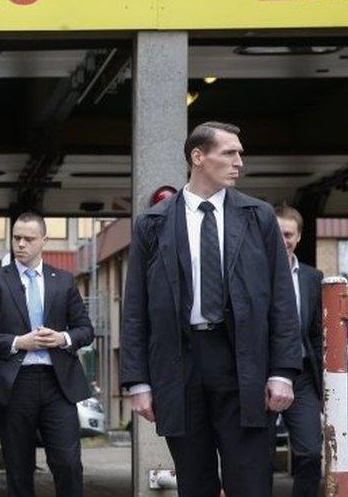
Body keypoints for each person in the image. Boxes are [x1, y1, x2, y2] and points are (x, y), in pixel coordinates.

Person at [120, 122, 301, 496]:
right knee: (195, 482)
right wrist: (138, 381)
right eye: (229, 153)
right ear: (198, 157)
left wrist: (282, 371)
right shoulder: (153, 223)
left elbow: (281, 299)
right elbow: (136, 307)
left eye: (240, 154)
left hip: (243, 363)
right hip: (179, 363)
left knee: (249, 482)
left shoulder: (259, 216)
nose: (239, 162)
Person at [0, 213, 94, 497]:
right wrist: (17, 342)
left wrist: (63, 338)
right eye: (16, 238)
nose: (20, 244)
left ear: (44, 241)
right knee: (18, 468)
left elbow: (86, 329)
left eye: (28, 239)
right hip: (14, 385)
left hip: (57, 384)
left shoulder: (63, 281)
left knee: (68, 463)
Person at [275, 204, 324, 497]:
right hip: (262, 374)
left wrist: (324, 387)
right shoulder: (252, 273)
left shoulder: (312, 278)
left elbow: (317, 335)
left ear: (299, 237)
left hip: (302, 374)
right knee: (253, 456)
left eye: (288, 234)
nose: (283, 240)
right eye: (277, 233)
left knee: (310, 453)